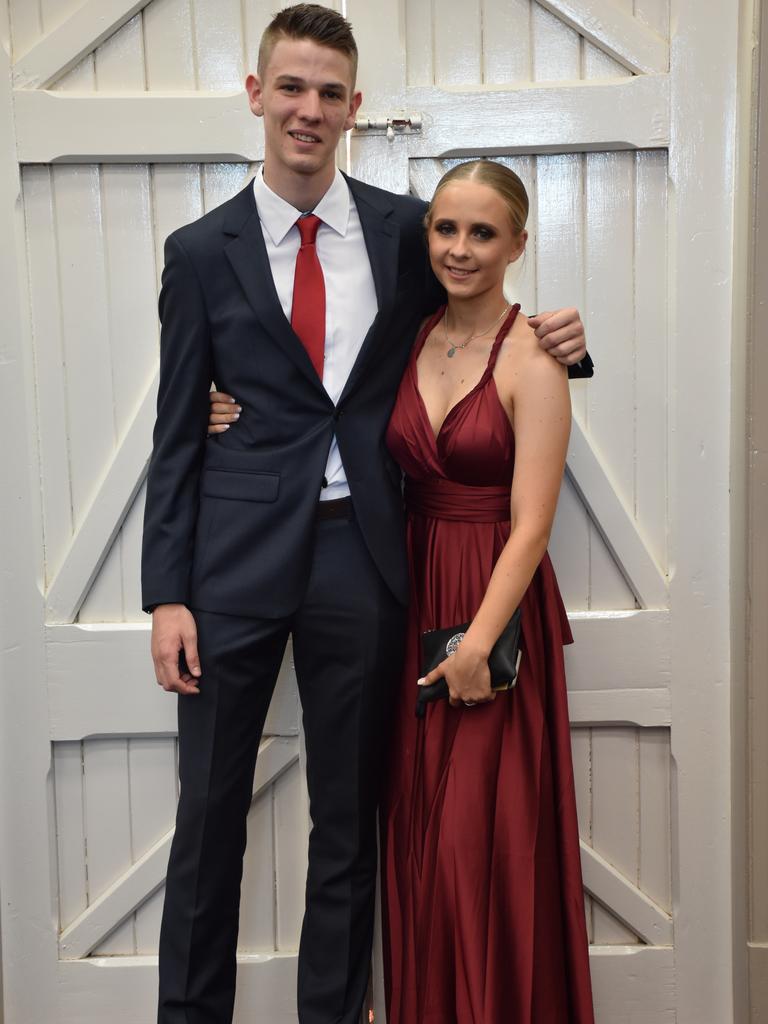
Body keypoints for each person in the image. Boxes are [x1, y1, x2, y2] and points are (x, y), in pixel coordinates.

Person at [143, 5, 591, 1023]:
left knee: (349, 825)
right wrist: (166, 592)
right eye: (290, 87)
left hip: (365, 560)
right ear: (257, 95)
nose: (309, 109)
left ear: (355, 108)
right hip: (229, 566)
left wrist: (567, 336)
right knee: (209, 822)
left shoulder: (404, 230)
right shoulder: (200, 251)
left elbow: (483, 317)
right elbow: (174, 432)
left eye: (330, 92)